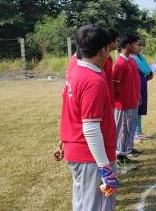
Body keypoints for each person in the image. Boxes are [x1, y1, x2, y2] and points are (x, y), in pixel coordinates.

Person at [60, 25, 119, 211]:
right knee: (97, 206)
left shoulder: (75, 72)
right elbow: (91, 128)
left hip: (77, 153)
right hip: (90, 157)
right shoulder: (93, 81)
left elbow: (69, 112)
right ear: (103, 50)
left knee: (82, 204)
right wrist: (104, 167)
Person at [113, 34, 141, 165]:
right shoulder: (119, 64)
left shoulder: (130, 61)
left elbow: (134, 82)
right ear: (128, 45)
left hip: (132, 102)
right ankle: (120, 156)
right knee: (123, 130)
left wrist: (137, 95)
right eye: (137, 44)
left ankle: (125, 152)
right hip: (123, 105)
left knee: (129, 129)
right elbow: (114, 86)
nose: (139, 47)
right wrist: (119, 103)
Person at [132, 46, 154, 142]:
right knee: (136, 108)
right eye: (137, 45)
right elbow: (146, 70)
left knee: (140, 109)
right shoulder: (132, 57)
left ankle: (139, 131)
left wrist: (149, 73)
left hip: (143, 82)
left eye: (140, 45)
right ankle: (135, 133)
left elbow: (147, 69)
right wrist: (149, 72)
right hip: (137, 83)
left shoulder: (139, 56)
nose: (140, 47)